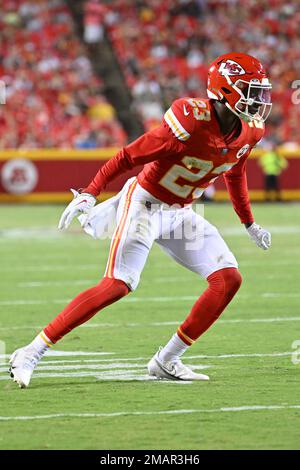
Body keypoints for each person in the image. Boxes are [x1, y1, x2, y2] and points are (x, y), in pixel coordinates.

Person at [9, 52, 272, 387]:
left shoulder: (250, 131)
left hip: (182, 213)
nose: (258, 100)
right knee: (118, 284)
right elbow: (128, 155)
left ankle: (167, 360)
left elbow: (236, 173)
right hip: (146, 206)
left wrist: (248, 223)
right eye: (250, 90)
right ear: (224, 90)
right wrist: (92, 191)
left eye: (260, 91)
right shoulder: (191, 121)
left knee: (228, 279)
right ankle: (30, 352)